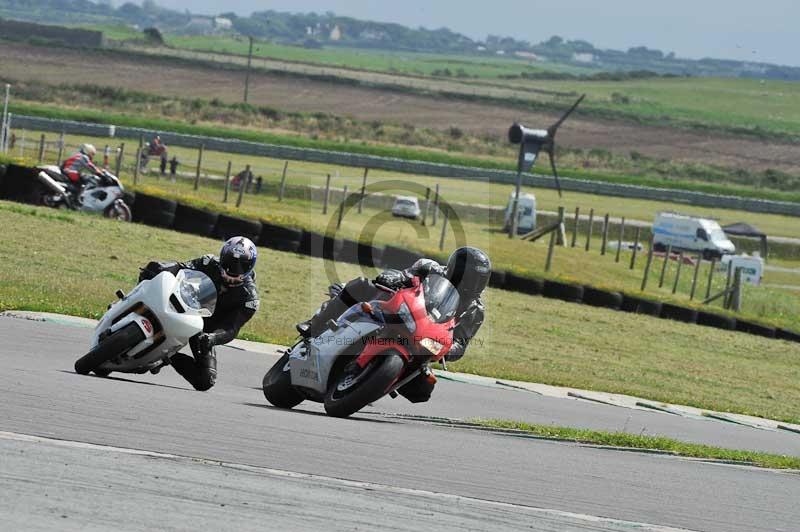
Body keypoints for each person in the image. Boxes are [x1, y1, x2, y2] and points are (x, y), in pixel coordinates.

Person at [296, 246, 490, 403]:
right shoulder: (429, 268)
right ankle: (314, 325)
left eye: (478, 279)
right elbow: (405, 276)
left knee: (423, 390)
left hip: (423, 340)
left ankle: (370, 383)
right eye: (469, 276)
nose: (472, 283)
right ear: (455, 268)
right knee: (361, 285)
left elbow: (461, 343)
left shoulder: (475, 310)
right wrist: (395, 278)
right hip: (399, 312)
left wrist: (447, 349)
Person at [138, 237, 260, 391]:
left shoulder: (249, 299)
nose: (233, 269)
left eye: (241, 265)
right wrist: (163, 268)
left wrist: (213, 338)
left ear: (250, 266)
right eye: (229, 262)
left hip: (203, 331)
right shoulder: (208, 263)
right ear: (222, 257)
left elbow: (231, 328)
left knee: (205, 380)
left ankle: (165, 356)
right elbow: (182, 267)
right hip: (183, 307)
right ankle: (129, 304)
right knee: (152, 269)